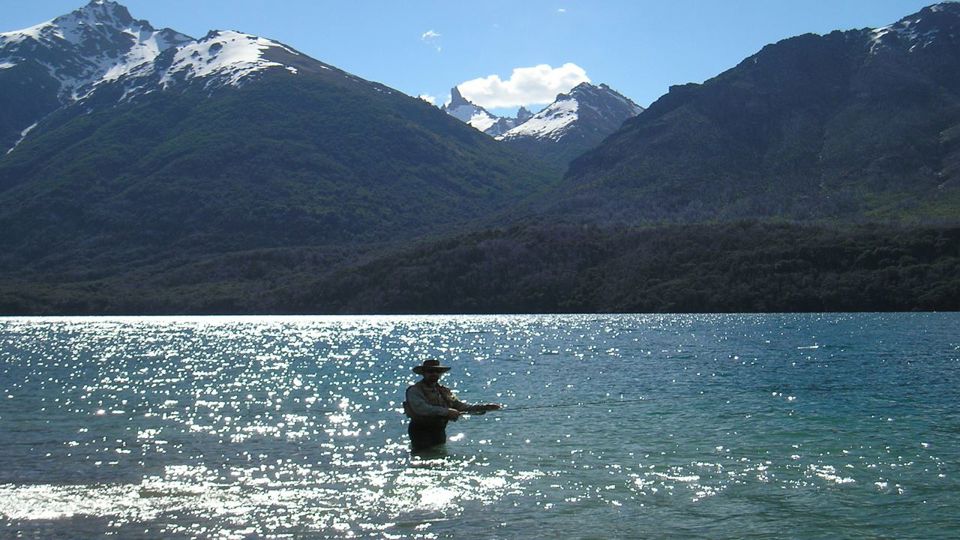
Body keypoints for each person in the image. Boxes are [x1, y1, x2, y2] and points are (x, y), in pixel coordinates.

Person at [403, 359, 501, 451]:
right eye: (430, 371)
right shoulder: (414, 390)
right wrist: (447, 411)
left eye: (437, 371)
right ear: (423, 373)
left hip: (439, 430)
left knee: (438, 455)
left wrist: (484, 407)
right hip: (421, 431)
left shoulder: (444, 391)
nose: (434, 374)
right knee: (423, 456)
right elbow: (421, 408)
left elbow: (460, 406)